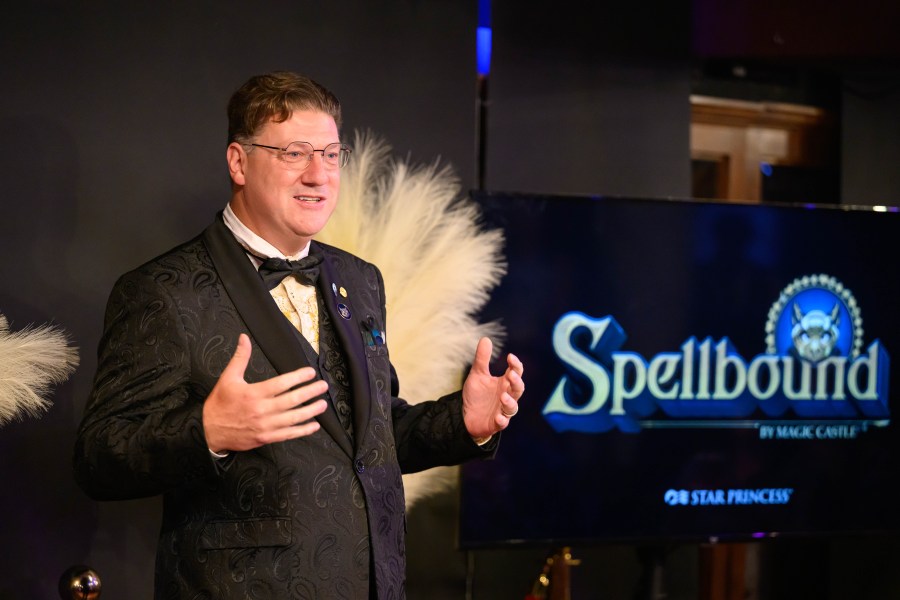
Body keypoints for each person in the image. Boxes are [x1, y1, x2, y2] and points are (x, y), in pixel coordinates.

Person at [73, 71, 524, 600]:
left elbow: (369, 443)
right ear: (238, 162)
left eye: (332, 154)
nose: (319, 175)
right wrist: (208, 431)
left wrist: (463, 422)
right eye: (294, 153)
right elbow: (98, 458)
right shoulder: (163, 291)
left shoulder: (360, 280)